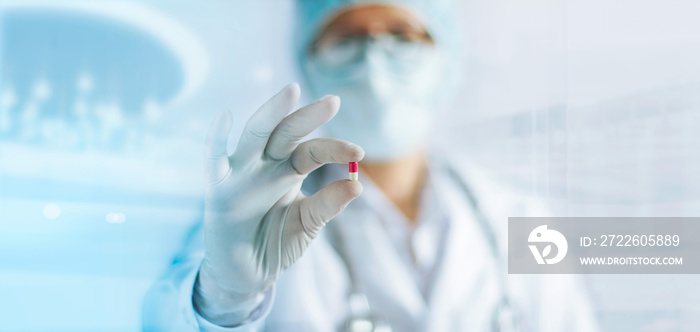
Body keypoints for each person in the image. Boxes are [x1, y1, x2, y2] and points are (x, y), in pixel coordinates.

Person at [143, 1, 600, 331]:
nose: (375, 57)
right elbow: (165, 321)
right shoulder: (255, 217)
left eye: (402, 34)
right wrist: (223, 300)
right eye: (347, 37)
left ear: (446, 58)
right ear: (309, 60)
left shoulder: (520, 221)